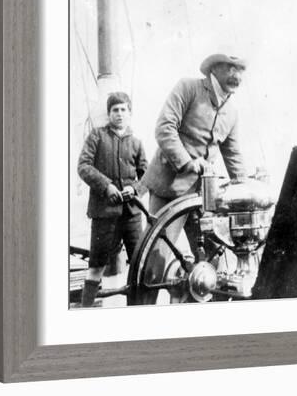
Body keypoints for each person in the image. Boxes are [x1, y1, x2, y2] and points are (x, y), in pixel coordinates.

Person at [143, 53, 247, 216]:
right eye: (231, 69)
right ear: (214, 68)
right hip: (169, 189)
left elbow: (233, 154)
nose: (237, 76)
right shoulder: (188, 87)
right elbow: (165, 128)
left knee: (215, 240)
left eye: (241, 70)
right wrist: (187, 163)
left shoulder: (232, 112)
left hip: (204, 195)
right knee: (159, 241)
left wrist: (244, 186)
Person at [77, 92, 147, 307]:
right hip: (104, 214)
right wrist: (106, 185)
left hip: (131, 215)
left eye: (123, 109)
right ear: (109, 114)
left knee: (139, 264)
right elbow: (83, 166)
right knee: (96, 265)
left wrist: (133, 189)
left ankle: (136, 312)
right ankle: (85, 310)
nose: (119, 114)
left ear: (130, 113)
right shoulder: (96, 136)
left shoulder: (136, 143)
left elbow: (147, 177)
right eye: (115, 110)